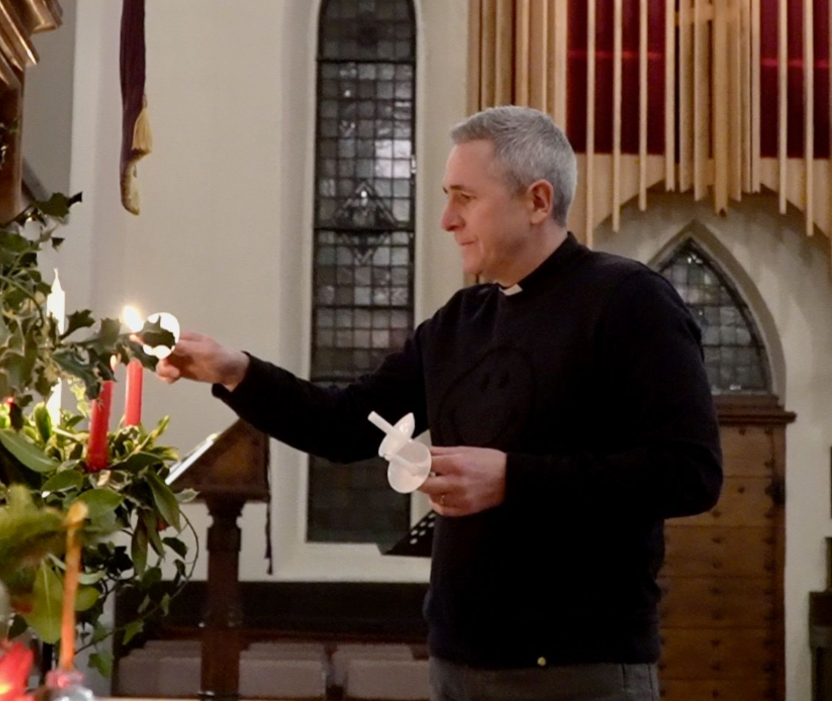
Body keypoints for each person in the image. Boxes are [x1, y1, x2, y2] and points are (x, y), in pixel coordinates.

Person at [156, 106, 722, 701]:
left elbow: (690, 473)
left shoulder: (630, 302)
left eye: (465, 198)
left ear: (536, 201)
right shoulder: (460, 322)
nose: (447, 220)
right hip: (457, 657)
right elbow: (347, 426)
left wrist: (514, 478)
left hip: (581, 665)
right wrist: (238, 373)